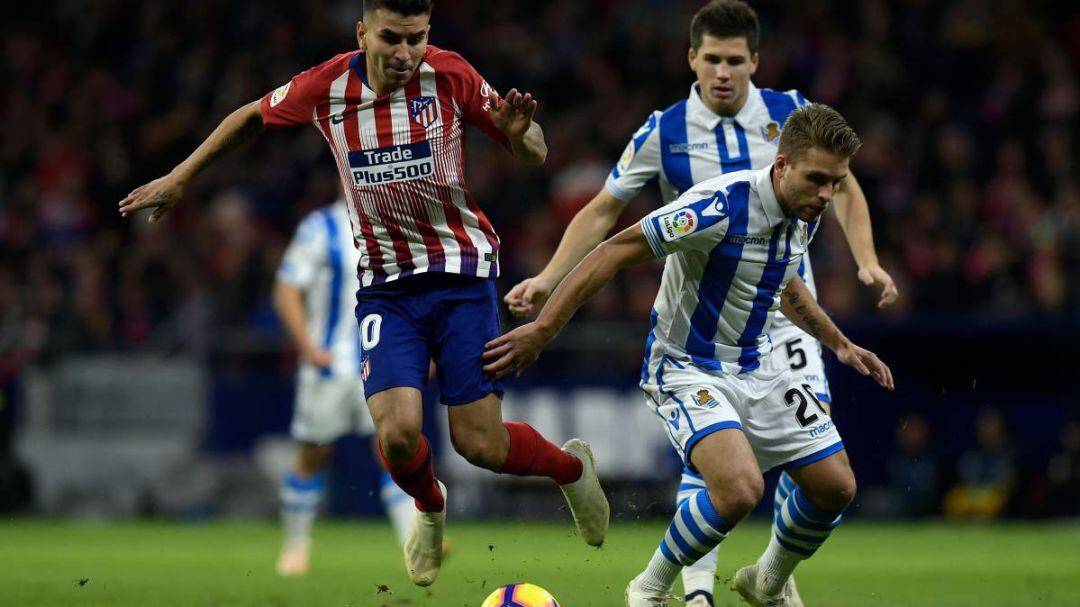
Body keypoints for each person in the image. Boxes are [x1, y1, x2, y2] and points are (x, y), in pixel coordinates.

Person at [119, 0, 608, 588]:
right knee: (399, 435)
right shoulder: (326, 85)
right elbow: (250, 117)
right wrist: (180, 178)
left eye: (417, 39)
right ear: (363, 33)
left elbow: (536, 153)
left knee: (478, 444)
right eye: (392, 39)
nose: (405, 54)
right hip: (385, 287)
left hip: (461, 275)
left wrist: (518, 134)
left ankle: (573, 471)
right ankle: (429, 508)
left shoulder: (450, 73)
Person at [503, 2, 898, 604]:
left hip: (761, 352)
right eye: (819, 181)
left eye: (835, 184)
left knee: (836, 486)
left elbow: (785, 279)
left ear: (754, 63)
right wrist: (544, 318)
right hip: (689, 363)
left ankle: (767, 581)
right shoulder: (707, 195)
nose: (828, 193)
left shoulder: (803, 185)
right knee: (738, 486)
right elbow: (612, 244)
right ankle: (659, 587)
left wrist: (841, 342)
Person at [272, 199, 419, 576]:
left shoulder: (396, 221)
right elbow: (286, 288)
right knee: (312, 455)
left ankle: (412, 544)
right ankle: (295, 546)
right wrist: (307, 347)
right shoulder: (320, 227)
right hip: (330, 365)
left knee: (393, 449)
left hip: (380, 358)